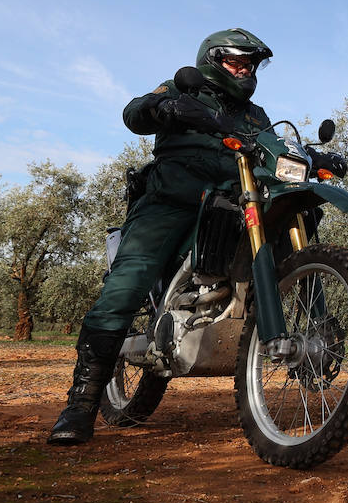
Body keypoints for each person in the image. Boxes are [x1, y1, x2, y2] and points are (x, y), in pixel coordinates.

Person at [47, 28, 274, 446]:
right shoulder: (182, 89)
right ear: (212, 60)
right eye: (235, 62)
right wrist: (164, 106)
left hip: (227, 206)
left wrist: (312, 156)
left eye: (250, 64)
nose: (243, 70)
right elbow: (134, 112)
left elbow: (272, 147)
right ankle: (80, 405)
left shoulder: (256, 116)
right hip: (171, 201)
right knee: (127, 283)